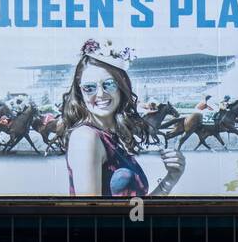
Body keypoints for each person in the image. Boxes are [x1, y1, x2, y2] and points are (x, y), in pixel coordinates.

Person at [57, 39, 185, 197]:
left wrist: (171, 179)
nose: (100, 94)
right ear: (80, 93)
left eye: (109, 84)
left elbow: (136, 211)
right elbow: (89, 215)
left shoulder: (110, 137)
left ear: (121, 86)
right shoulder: (86, 138)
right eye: (89, 88)